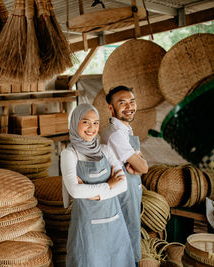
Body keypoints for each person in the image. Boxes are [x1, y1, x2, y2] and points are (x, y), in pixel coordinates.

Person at [61, 103, 135, 267]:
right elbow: (74, 190)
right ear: (74, 123)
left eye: (95, 123)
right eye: (85, 121)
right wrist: (109, 185)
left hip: (114, 221)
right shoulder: (69, 154)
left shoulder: (106, 150)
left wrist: (93, 193)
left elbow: (123, 185)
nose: (91, 128)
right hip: (87, 224)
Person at [100, 86, 149, 266]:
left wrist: (138, 160)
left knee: (129, 234)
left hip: (131, 191)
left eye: (132, 101)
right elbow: (142, 166)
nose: (129, 106)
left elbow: (139, 161)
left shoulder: (125, 130)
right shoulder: (115, 135)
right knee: (126, 236)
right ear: (111, 108)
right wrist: (138, 162)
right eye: (122, 103)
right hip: (123, 194)